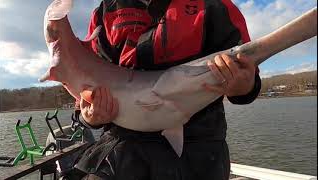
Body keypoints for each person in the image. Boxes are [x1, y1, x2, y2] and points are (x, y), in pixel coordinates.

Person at [66, 0, 261, 179]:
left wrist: (244, 86)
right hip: (121, 149)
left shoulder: (215, 6)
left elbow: (249, 82)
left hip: (200, 150)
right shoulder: (105, 12)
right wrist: (89, 116)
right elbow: (84, 91)